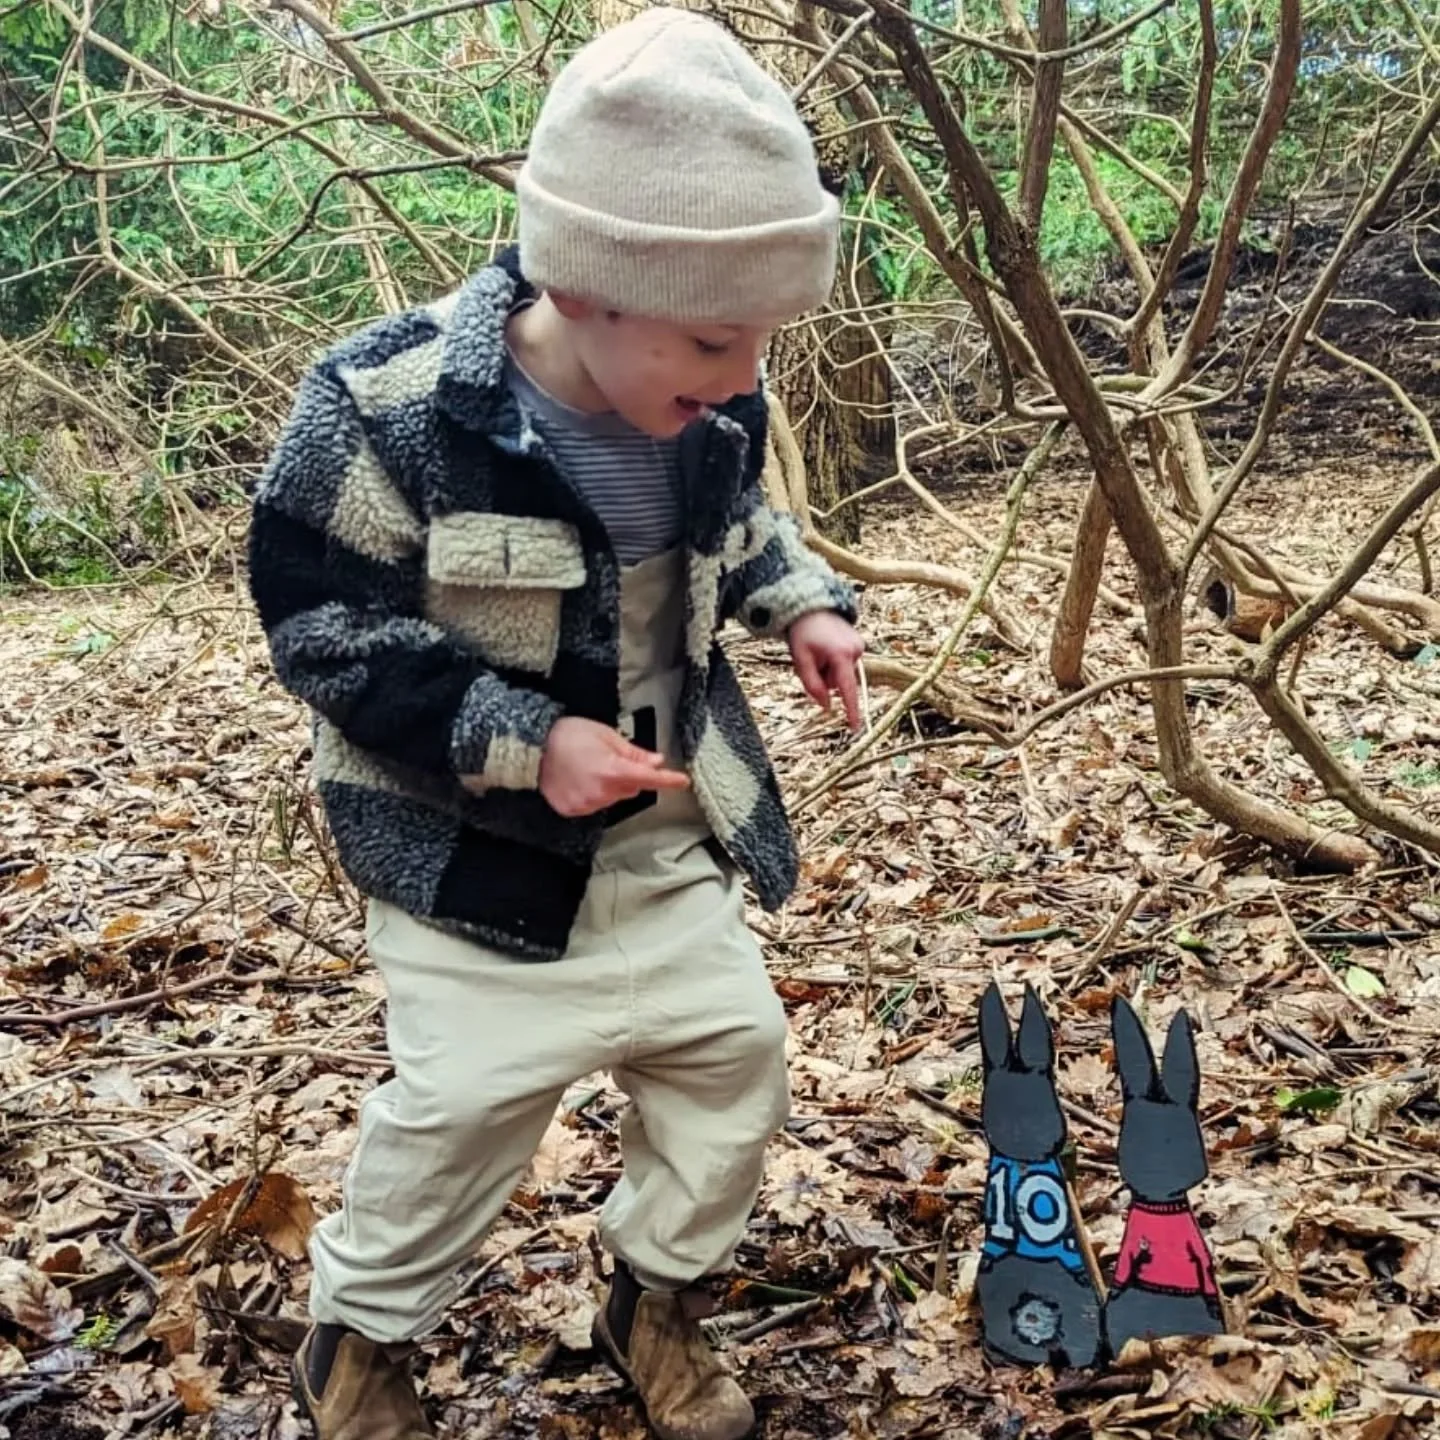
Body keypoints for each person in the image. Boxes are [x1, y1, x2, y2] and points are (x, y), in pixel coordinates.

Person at [247, 7, 864, 1438]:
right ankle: (363, 1339)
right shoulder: (383, 411)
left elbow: (741, 524)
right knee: (464, 1106)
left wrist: (805, 603)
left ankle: (656, 1294)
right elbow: (322, 629)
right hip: (466, 852)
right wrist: (528, 740)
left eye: (765, 341)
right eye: (719, 338)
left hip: (660, 833)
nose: (746, 378)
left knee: (735, 1064)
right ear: (586, 286)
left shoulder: (708, 410)